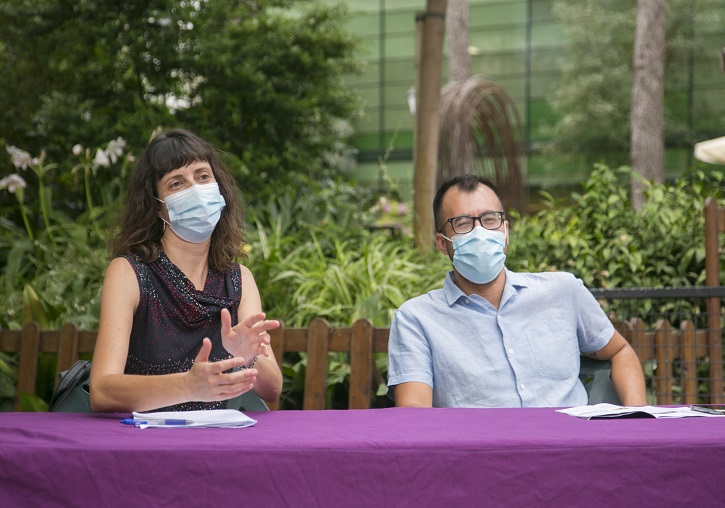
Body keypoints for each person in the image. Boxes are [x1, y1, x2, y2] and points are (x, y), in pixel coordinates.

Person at [387, 174, 646, 408]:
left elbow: (620, 351)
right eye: (462, 223)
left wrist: (635, 418)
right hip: (480, 456)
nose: (480, 231)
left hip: (571, 449)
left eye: (490, 219)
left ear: (506, 232)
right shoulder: (416, 319)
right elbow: (415, 415)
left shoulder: (563, 291)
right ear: (442, 244)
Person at [90, 128, 282, 412]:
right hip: (141, 441)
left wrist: (248, 356)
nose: (195, 189)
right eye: (177, 183)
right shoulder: (128, 273)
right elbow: (102, 391)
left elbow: (272, 389)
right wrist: (187, 386)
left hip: (215, 443)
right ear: (157, 207)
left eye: (203, 177)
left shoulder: (239, 278)